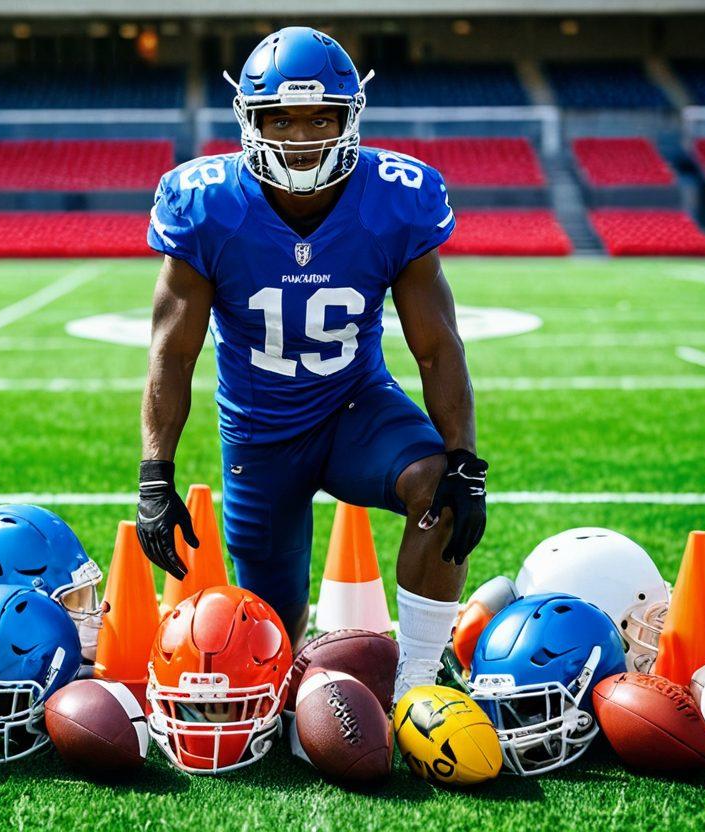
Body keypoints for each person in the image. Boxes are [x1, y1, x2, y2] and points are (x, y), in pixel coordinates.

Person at [136, 26, 487, 701]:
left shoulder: (397, 195)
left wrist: (465, 460)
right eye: (281, 119)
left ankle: (416, 683)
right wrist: (156, 474)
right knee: (273, 629)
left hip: (358, 408)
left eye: (320, 117)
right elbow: (173, 352)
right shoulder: (204, 202)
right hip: (260, 433)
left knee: (440, 489)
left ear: (349, 116)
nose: (300, 136)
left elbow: (438, 344)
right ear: (251, 120)